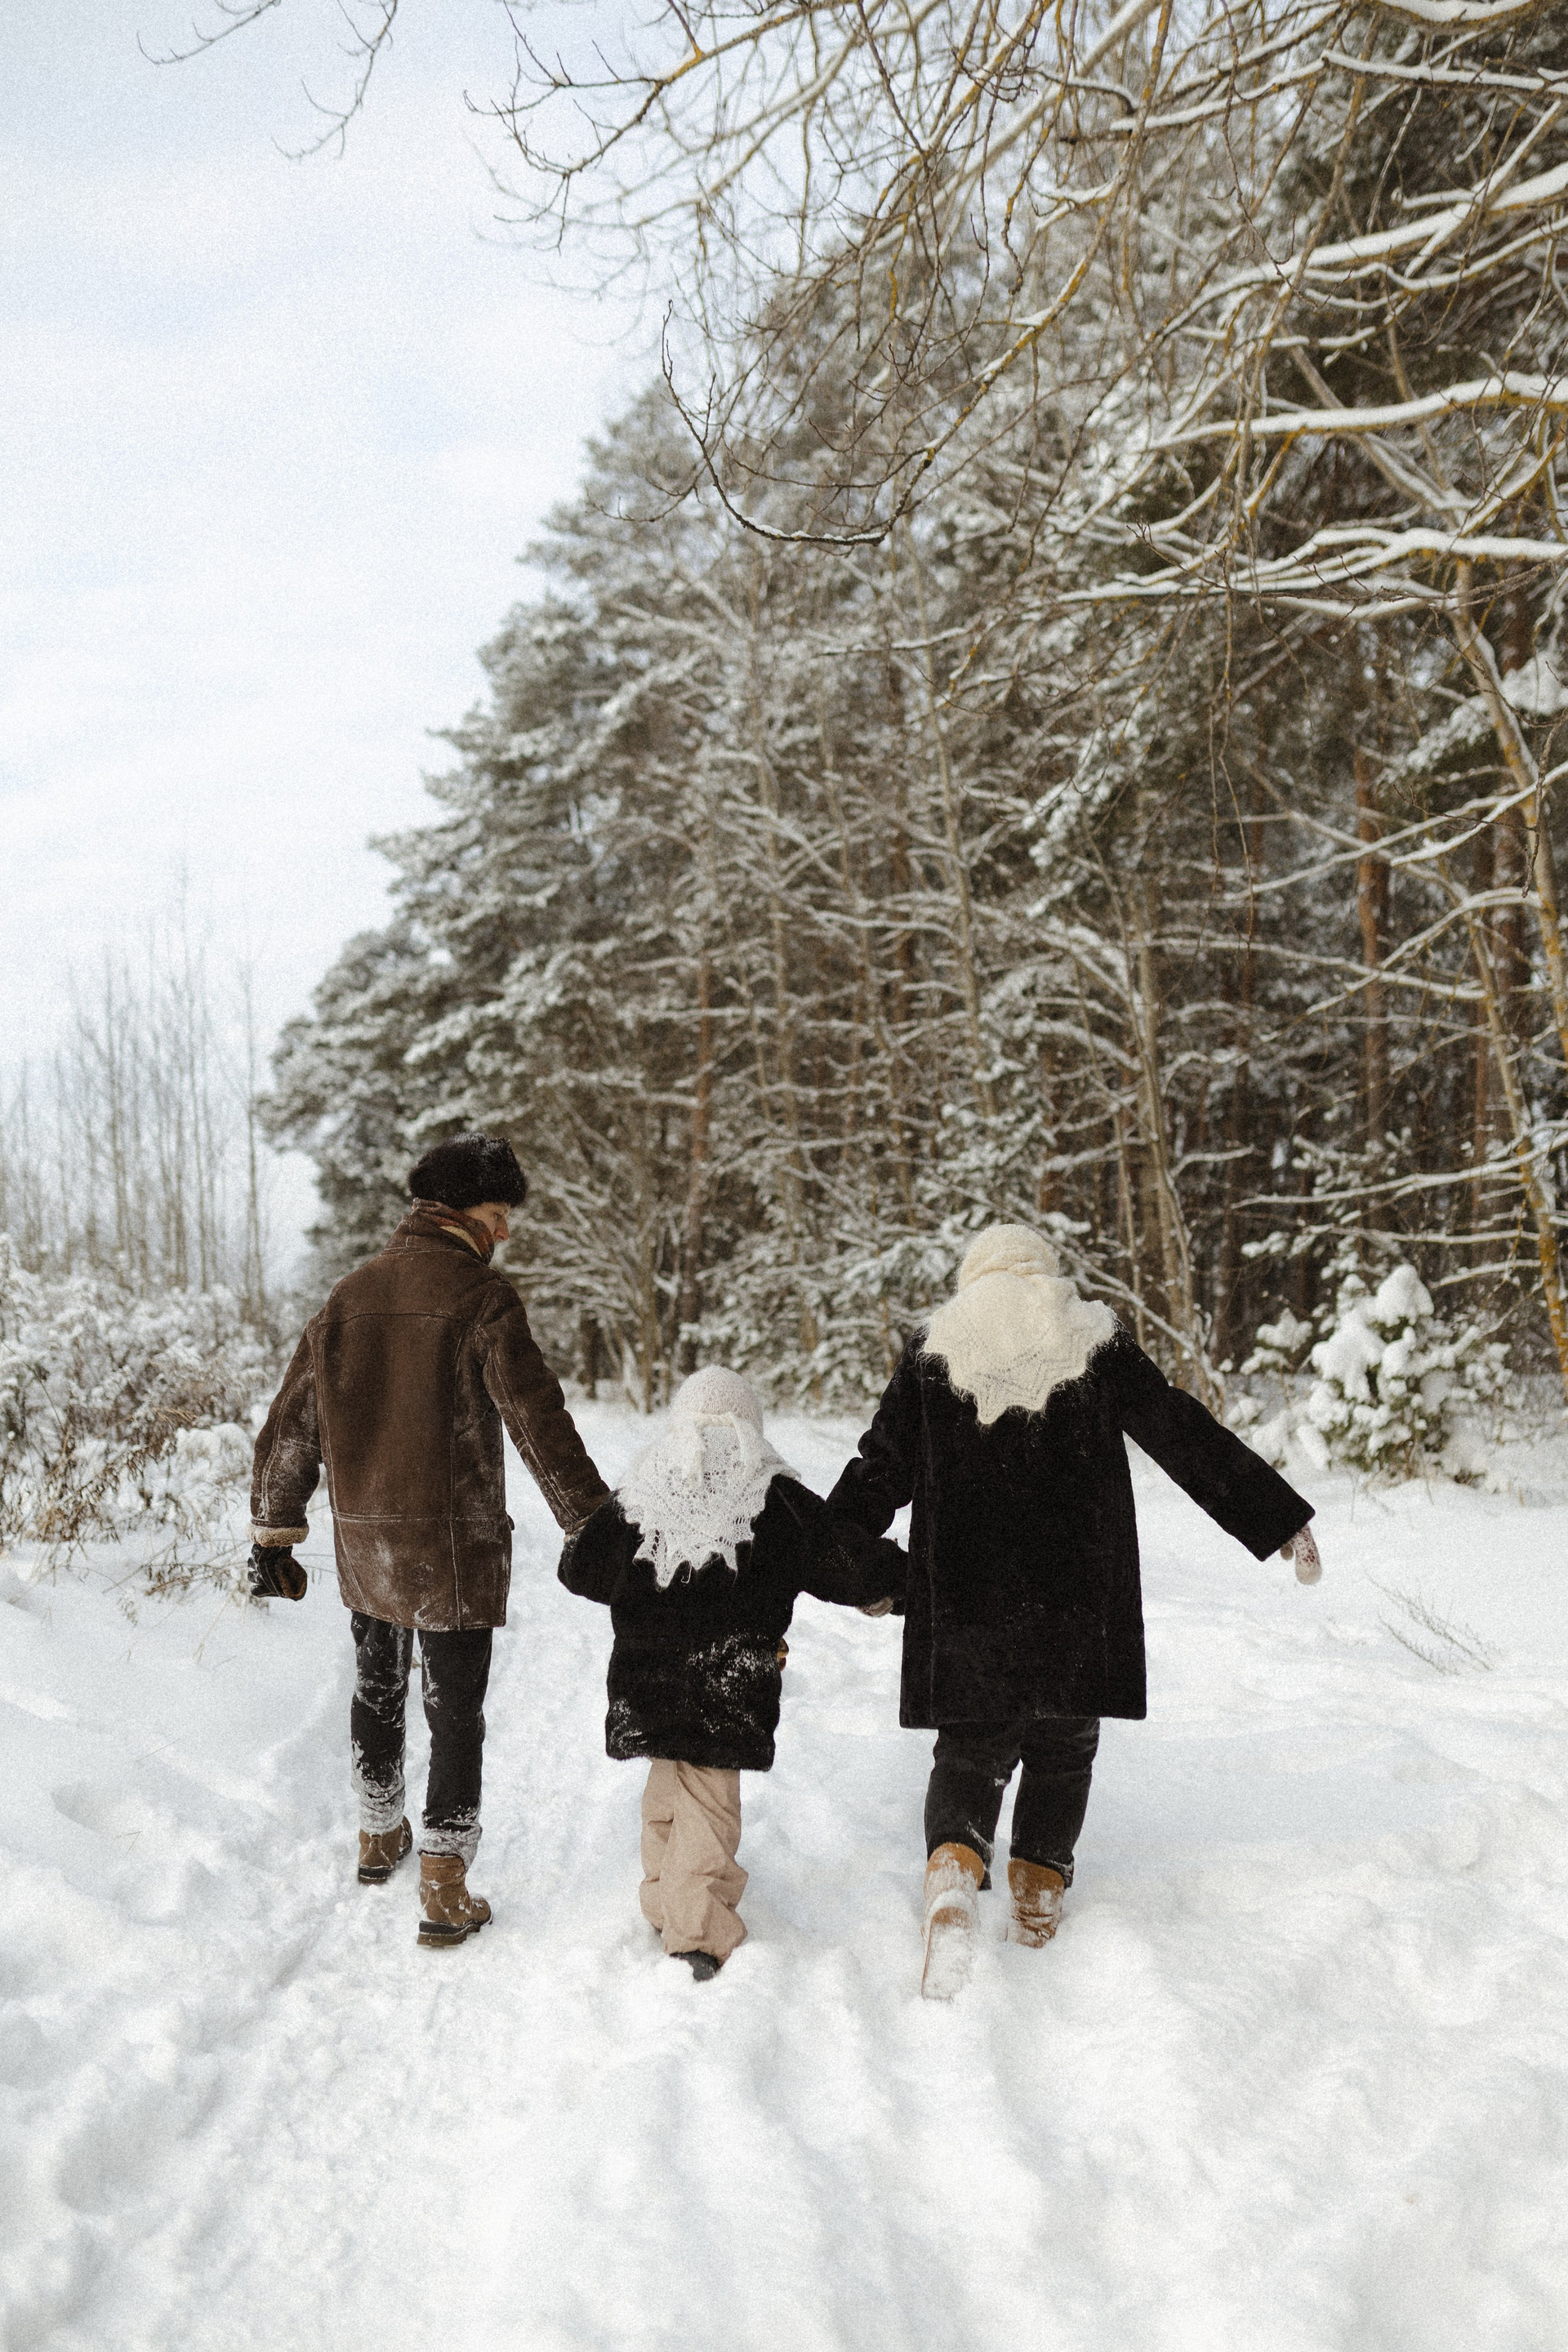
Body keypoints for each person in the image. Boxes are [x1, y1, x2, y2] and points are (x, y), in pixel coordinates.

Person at [825, 1223, 1321, 1998]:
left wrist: (843, 1562)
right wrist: (1274, 1515)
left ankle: (953, 1874)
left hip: (967, 1599)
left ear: (974, 1275)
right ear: (1043, 1271)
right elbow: (1179, 1429)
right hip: (1076, 1596)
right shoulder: (1091, 1336)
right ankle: (1036, 1897)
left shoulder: (934, 1347)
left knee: (971, 1747)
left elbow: (878, 1468)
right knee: (1063, 1748)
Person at [247, 1132, 609, 1948]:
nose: (505, 1231)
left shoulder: (348, 1297)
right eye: (497, 1213)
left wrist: (274, 1528)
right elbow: (537, 1419)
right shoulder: (481, 1298)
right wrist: (592, 1519)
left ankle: (379, 1834)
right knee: (454, 1712)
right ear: (454, 1210)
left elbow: (293, 1422)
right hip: (453, 1545)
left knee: (377, 1687)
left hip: (367, 1541)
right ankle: (444, 1881)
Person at [558, 1365, 906, 1980]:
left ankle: (664, 1900)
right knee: (708, 1806)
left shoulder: (644, 1490)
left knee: (668, 1790)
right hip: (729, 1681)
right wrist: (905, 1581)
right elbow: (844, 1561)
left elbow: (581, 1568)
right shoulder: (771, 1495)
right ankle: (696, 1933)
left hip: (645, 1681)